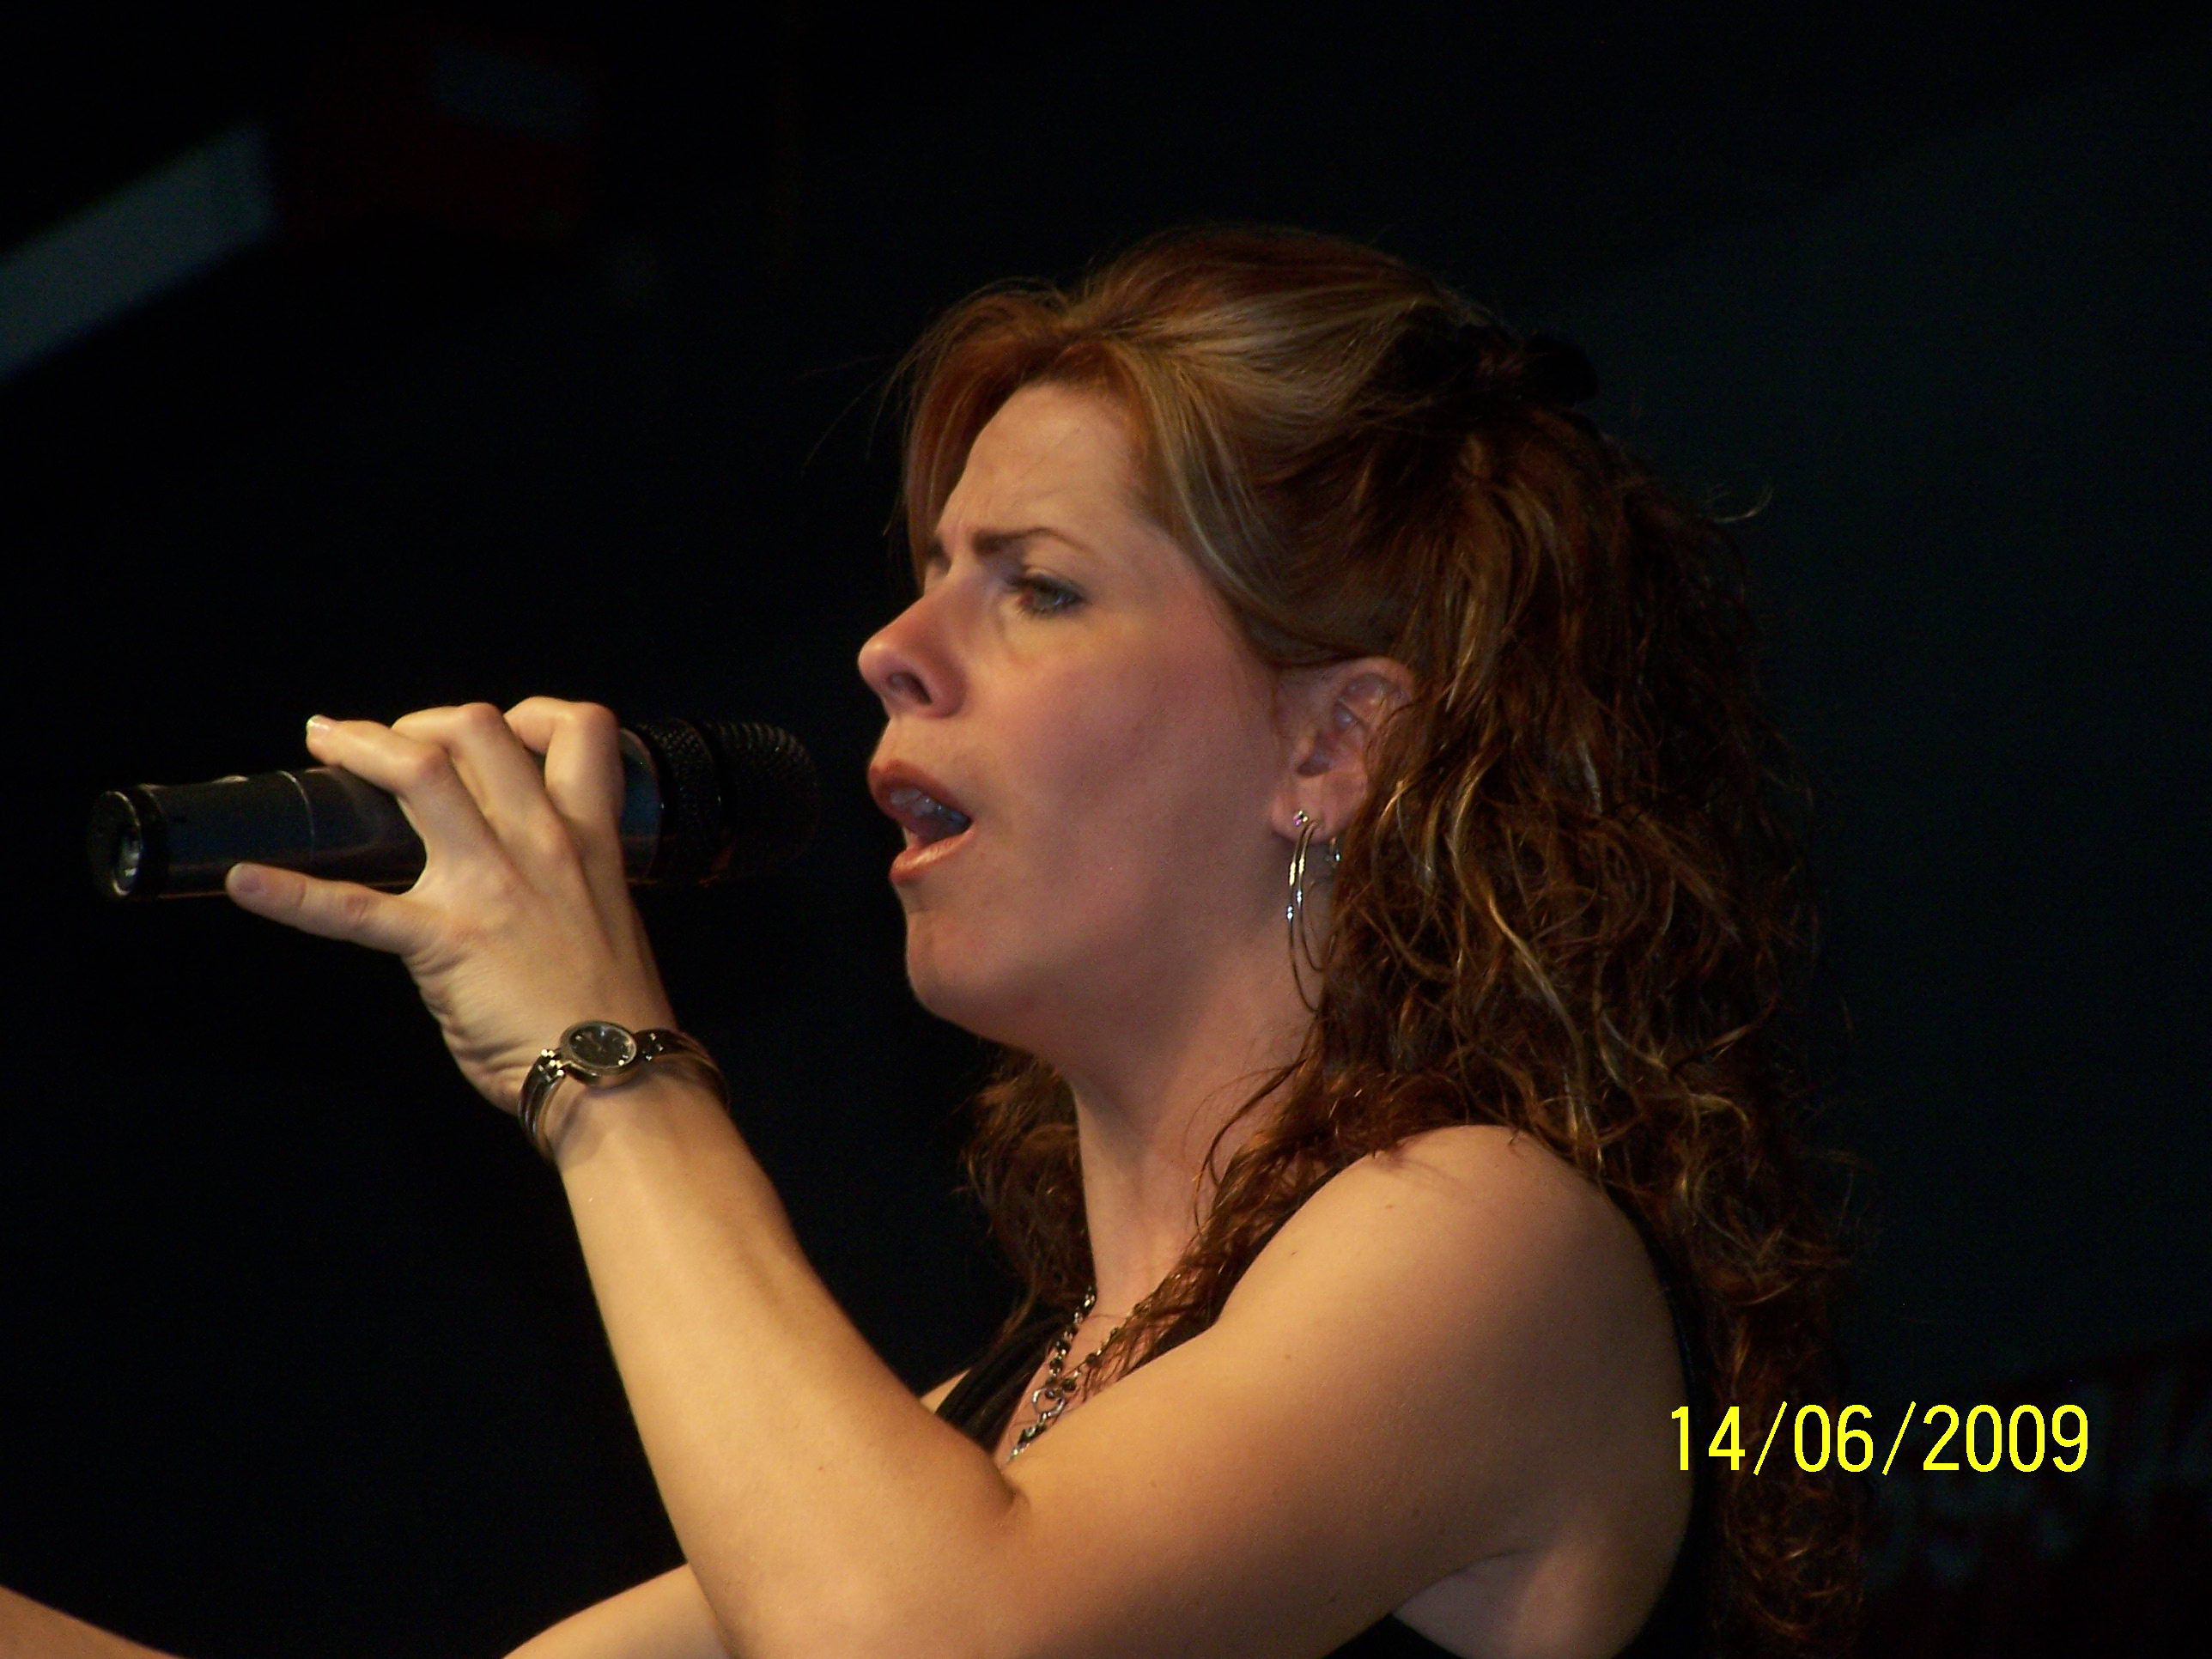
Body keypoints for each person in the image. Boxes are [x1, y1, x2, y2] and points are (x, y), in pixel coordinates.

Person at [1, 224, 1861, 1659]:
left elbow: (915, 1641)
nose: (893, 649)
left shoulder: (1492, 1243)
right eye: (927, 575)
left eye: (1036, 586)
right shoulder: (988, 1433)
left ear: (1331, 747)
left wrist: (598, 1061)